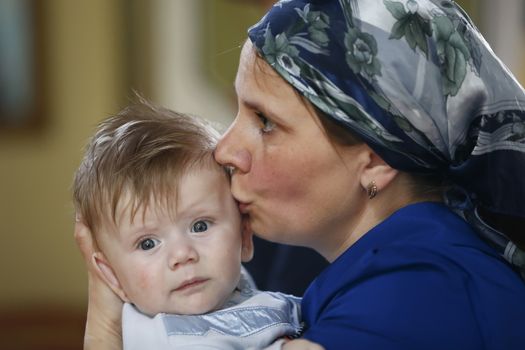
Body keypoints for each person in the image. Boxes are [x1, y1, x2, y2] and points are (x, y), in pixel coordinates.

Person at [75, 0, 525, 349]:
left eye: (265, 122)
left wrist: (104, 333)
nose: (225, 149)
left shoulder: (412, 297)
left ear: (375, 160)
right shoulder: (408, 264)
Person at [72, 100, 304, 349]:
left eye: (200, 226)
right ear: (111, 275)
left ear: (244, 235)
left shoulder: (227, 285)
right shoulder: (159, 336)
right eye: (148, 243)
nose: (182, 254)